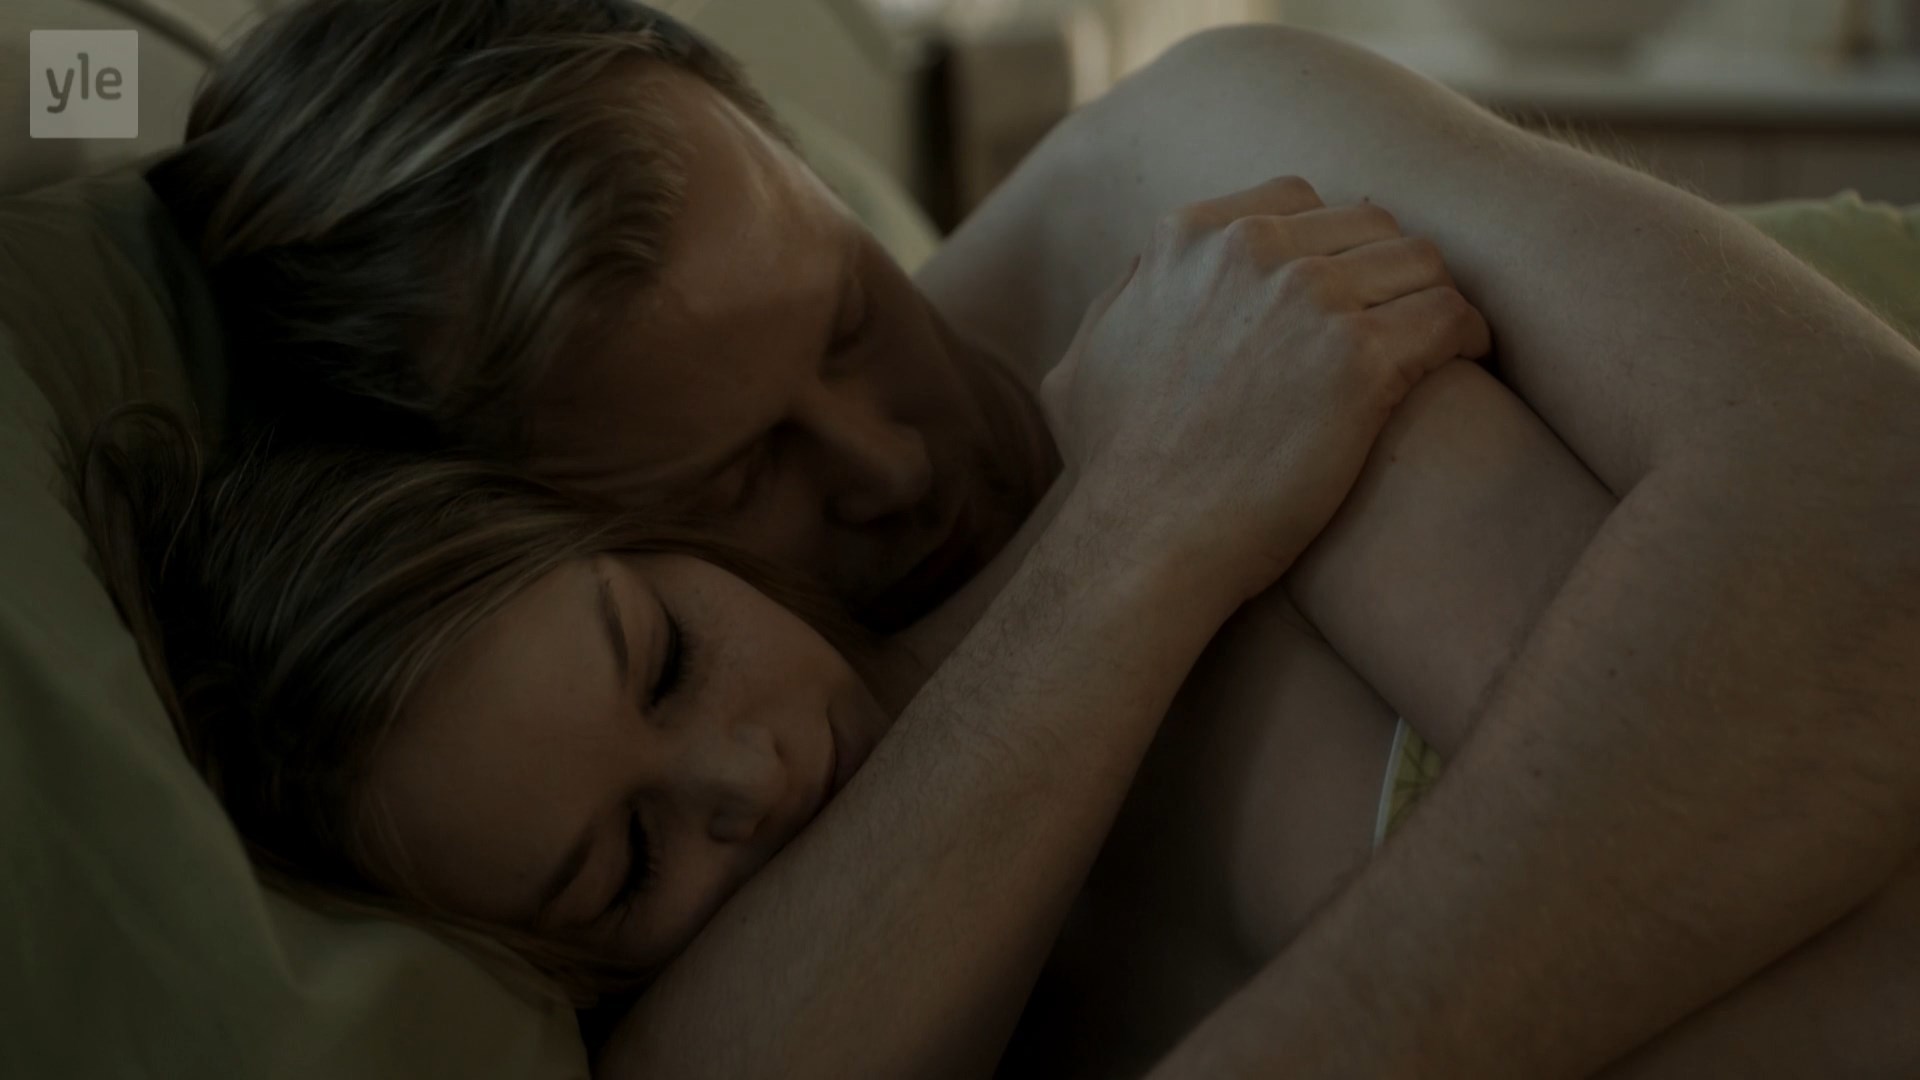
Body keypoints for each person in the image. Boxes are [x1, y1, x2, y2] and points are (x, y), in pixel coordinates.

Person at [142, 1, 1920, 1076]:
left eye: (849, 310)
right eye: (735, 477)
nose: (893, 462)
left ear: (780, 146)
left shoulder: (1212, 225)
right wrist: (1141, 520)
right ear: (524, 529)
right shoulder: (654, 778)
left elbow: (1873, 510)